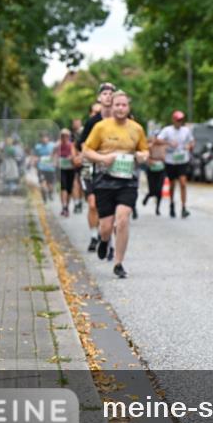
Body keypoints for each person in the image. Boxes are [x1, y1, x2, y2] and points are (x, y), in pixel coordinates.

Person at [81, 91, 149, 279]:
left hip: (128, 181)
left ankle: (118, 263)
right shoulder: (101, 127)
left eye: (124, 105)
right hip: (104, 181)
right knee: (106, 226)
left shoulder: (136, 128)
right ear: (112, 107)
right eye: (117, 105)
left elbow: (144, 150)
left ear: (128, 107)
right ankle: (104, 240)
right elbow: (86, 150)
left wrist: (142, 156)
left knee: (123, 219)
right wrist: (103, 158)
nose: (120, 108)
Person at [77, 85, 115, 254]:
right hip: (89, 166)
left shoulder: (121, 119)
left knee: (109, 205)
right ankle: (94, 236)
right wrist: (90, 154)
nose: (108, 96)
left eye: (111, 94)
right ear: (99, 98)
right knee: (92, 204)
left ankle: (107, 239)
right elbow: (81, 144)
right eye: (104, 93)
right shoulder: (92, 122)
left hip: (111, 167)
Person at [157, 110, 194, 219]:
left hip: (182, 160)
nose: (179, 122)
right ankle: (172, 203)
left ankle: (183, 207)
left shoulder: (186, 130)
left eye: (181, 120)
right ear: (173, 120)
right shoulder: (167, 130)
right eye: (178, 120)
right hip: (170, 160)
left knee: (183, 183)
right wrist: (168, 143)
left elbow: (192, 141)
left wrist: (189, 146)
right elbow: (157, 140)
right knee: (172, 184)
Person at [141, 129, 167, 215]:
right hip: (151, 170)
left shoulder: (164, 146)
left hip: (161, 169)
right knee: (152, 189)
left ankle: (157, 209)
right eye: (156, 137)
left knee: (159, 190)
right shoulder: (150, 146)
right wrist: (149, 161)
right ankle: (148, 196)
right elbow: (145, 156)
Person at [57, 129, 77, 217]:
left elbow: (74, 156)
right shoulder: (58, 145)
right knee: (63, 187)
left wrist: (71, 157)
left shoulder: (71, 145)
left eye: (66, 136)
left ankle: (66, 207)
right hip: (61, 169)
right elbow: (53, 155)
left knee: (69, 189)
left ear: (69, 137)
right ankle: (64, 206)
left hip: (70, 169)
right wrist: (56, 161)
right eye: (62, 136)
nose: (64, 138)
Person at [32, 133, 57, 203]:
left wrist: (55, 162)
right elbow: (35, 156)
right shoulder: (38, 147)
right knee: (42, 183)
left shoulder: (52, 145)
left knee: (50, 184)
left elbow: (56, 155)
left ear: (48, 138)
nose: (44, 139)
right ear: (40, 139)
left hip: (50, 168)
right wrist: (34, 162)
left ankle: (50, 192)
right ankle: (44, 196)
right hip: (41, 168)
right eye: (42, 137)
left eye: (45, 137)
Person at [70, 118, 84, 213]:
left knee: (83, 182)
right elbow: (72, 146)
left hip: (86, 160)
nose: (76, 123)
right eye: (74, 122)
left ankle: (81, 200)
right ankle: (77, 202)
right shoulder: (71, 135)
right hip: (75, 161)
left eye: (77, 121)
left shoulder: (85, 131)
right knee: (75, 181)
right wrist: (74, 157)